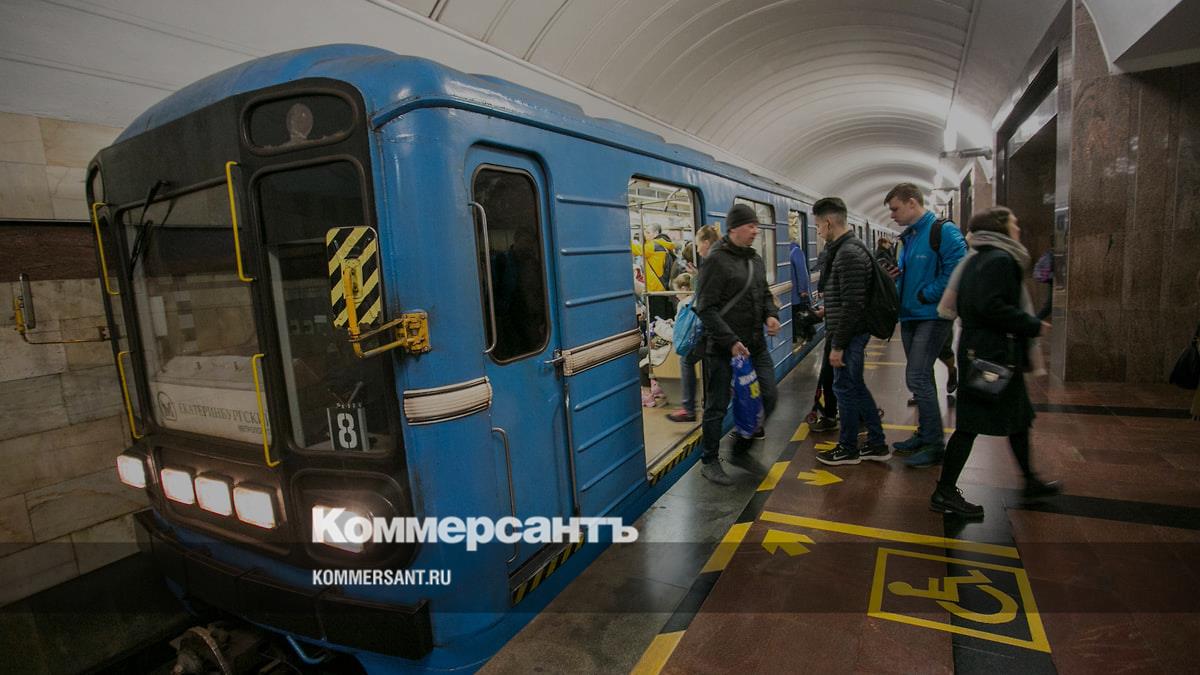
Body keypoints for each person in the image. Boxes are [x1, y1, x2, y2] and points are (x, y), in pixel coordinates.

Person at [929, 206, 1060, 516]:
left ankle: (1030, 481)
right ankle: (944, 491)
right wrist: (1032, 325)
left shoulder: (976, 259)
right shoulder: (1001, 260)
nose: (1018, 228)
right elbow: (991, 307)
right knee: (970, 425)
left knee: (1017, 419)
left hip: (982, 352)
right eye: (1014, 222)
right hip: (993, 356)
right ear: (1001, 227)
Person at [695, 205, 781, 485]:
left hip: (755, 346)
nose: (756, 231)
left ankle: (740, 451)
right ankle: (709, 460)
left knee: (768, 395)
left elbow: (764, 294)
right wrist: (730, 341)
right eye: (750, 226)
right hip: (723, 349)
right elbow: (705, 308)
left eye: (757, 226)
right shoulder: (716, 261)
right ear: (733, 228)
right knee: (717, 406)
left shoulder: (755, 259)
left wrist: (771, 314)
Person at [885, 183, 967, 467]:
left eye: (895, 209)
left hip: (932, 314)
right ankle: (925, 434)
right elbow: (915, 272)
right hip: (910, 315)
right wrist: (897, 278)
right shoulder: (910, 236)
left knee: (917, 376)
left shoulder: (942, 231)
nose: (893, 215)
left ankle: (934, 444)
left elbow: (958, 270)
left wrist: (925, 294)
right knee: (923, 376)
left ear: (912, 203)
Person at [809, 198, 888, 466]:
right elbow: (846, 298)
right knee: (855, 386)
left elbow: (853, 305)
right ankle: (876, 443)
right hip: (849, 330)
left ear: (829, 222)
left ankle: (848, 447)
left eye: (818, 226)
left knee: (844, 388)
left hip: (850, 334)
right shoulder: (848, 249)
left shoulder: (848, 254)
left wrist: (838, 345)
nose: (818, 231)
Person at [669, 224, 721, 423]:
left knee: (687, 359)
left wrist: (699, 277)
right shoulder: (717, 261)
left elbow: (706, 295)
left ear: (707, 243)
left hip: (711, 327)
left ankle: (689, 409)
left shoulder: (713, 263)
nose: (698, 250)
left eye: (699, 245)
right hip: (716, 327)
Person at [631, 223, 677, 322]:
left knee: (656, 321)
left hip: (655, 290)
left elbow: (636, 250)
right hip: (664, 289)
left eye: (648, 232)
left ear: (656, 233)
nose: (645, 235)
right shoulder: (664, 245)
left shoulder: (653, 245)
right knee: (664, 319)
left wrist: (624, 239)